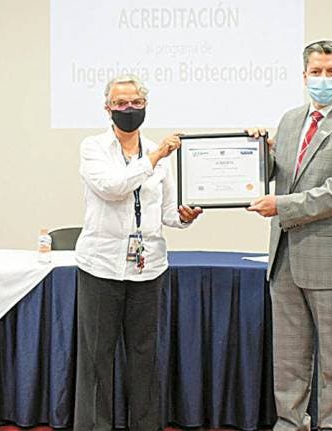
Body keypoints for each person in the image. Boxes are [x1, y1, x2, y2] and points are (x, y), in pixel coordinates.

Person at [247, 40, 332, 431]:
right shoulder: (291, 120)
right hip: (285, 254)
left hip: (331, 256)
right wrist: (255, 150)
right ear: (304, 76)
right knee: (289, 354)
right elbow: (277, 174)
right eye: (316, 72)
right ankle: (290, 422)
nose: (324, 79)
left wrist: (282, 206)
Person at [73, 74, 202, 431]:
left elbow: (166, 211)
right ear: (107, 108)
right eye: (121, 103)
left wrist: (184, 216)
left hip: (149, 267)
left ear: (146, 105)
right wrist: (154, 157)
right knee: (97, 358)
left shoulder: (159, 154)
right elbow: (113, 187)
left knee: (145, 356)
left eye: (136, 102)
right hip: (101, 266)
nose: (129, 109)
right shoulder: (93, 147)